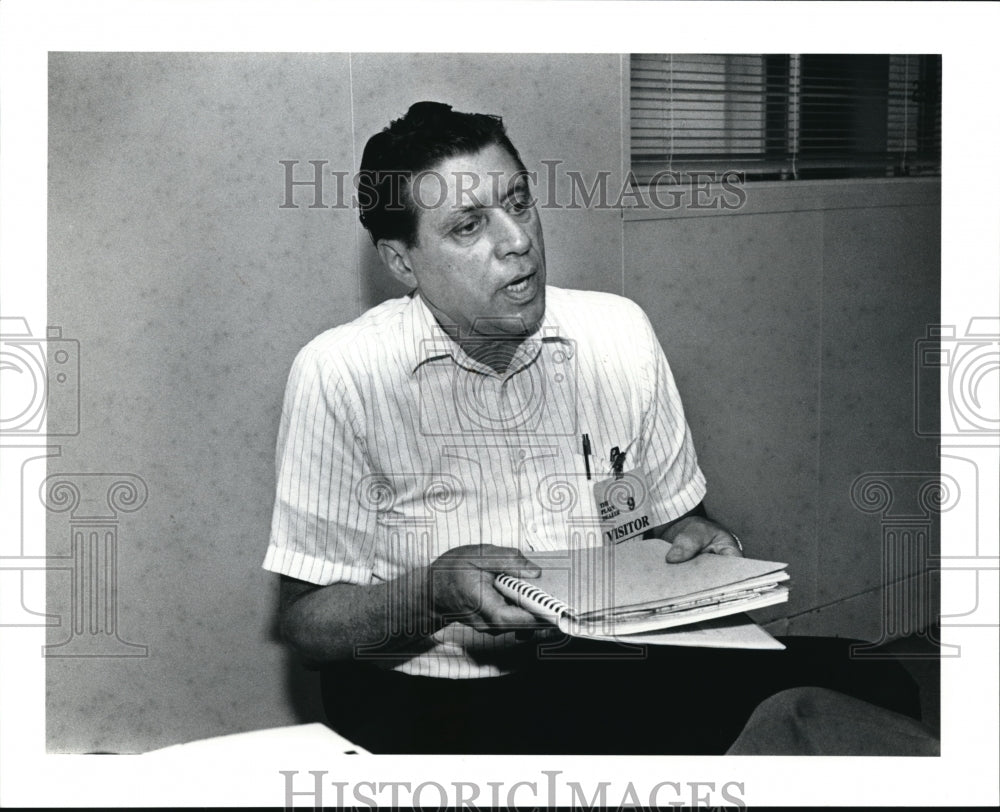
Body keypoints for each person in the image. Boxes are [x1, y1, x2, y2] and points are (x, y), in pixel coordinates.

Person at [263, 101, 922, 754]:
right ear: (401, 261)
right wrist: (433, 594)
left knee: (873, 682)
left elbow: (674, 521)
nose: (517, 239)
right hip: (436, 697)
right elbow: (305, 625)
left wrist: (699, 540)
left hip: (606, 658)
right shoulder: (341, 372)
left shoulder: (617, 332)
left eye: (518, 202)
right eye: (469, 226)